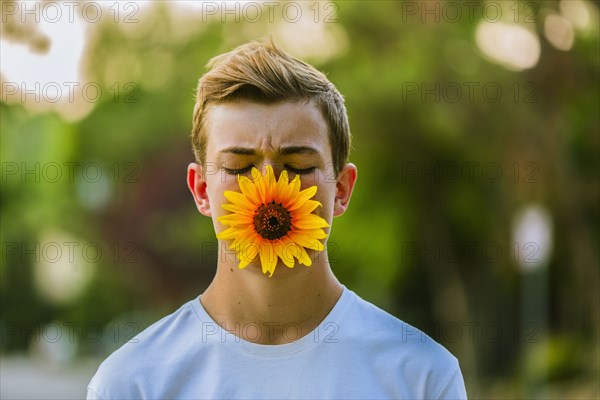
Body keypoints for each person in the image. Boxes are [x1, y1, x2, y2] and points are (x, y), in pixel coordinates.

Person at [87, 38, 467, 400]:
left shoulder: (421, 378)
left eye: (298, 167)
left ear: (342, 189)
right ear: (202, 190)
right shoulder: (133, 384)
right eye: (239, 167)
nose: (268, 187)